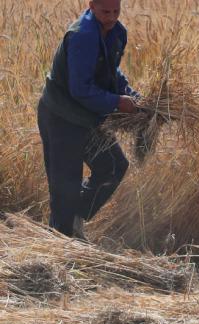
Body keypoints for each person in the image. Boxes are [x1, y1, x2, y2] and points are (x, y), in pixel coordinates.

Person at [37, 0, 139, 239]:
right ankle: (60, 245)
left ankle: (74, 220)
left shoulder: (116, 32)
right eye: (106, 11)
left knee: (113, 167)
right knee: (65, 186)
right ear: (91, 6)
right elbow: (80, 89)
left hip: (87, 115)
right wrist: (116, 102)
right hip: (61, 116)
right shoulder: (82, 36)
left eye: (116, 11)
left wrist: (133, 97)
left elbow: (110, 71)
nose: (112, 17)